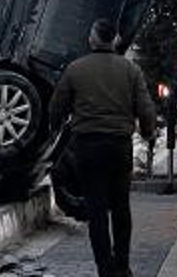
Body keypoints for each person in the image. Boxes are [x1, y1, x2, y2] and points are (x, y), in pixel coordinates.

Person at [50, 18, 156, 277]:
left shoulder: (76, 69)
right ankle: (123, 265)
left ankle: (105, 269)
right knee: (121, 207)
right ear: (115, 39)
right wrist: (148, 131)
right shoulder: (130, 70)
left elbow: (56, 107)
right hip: (120, 147)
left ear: (93, 39)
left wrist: (58, 128)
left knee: (97, 211)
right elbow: (145, 108)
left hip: (87, 147)